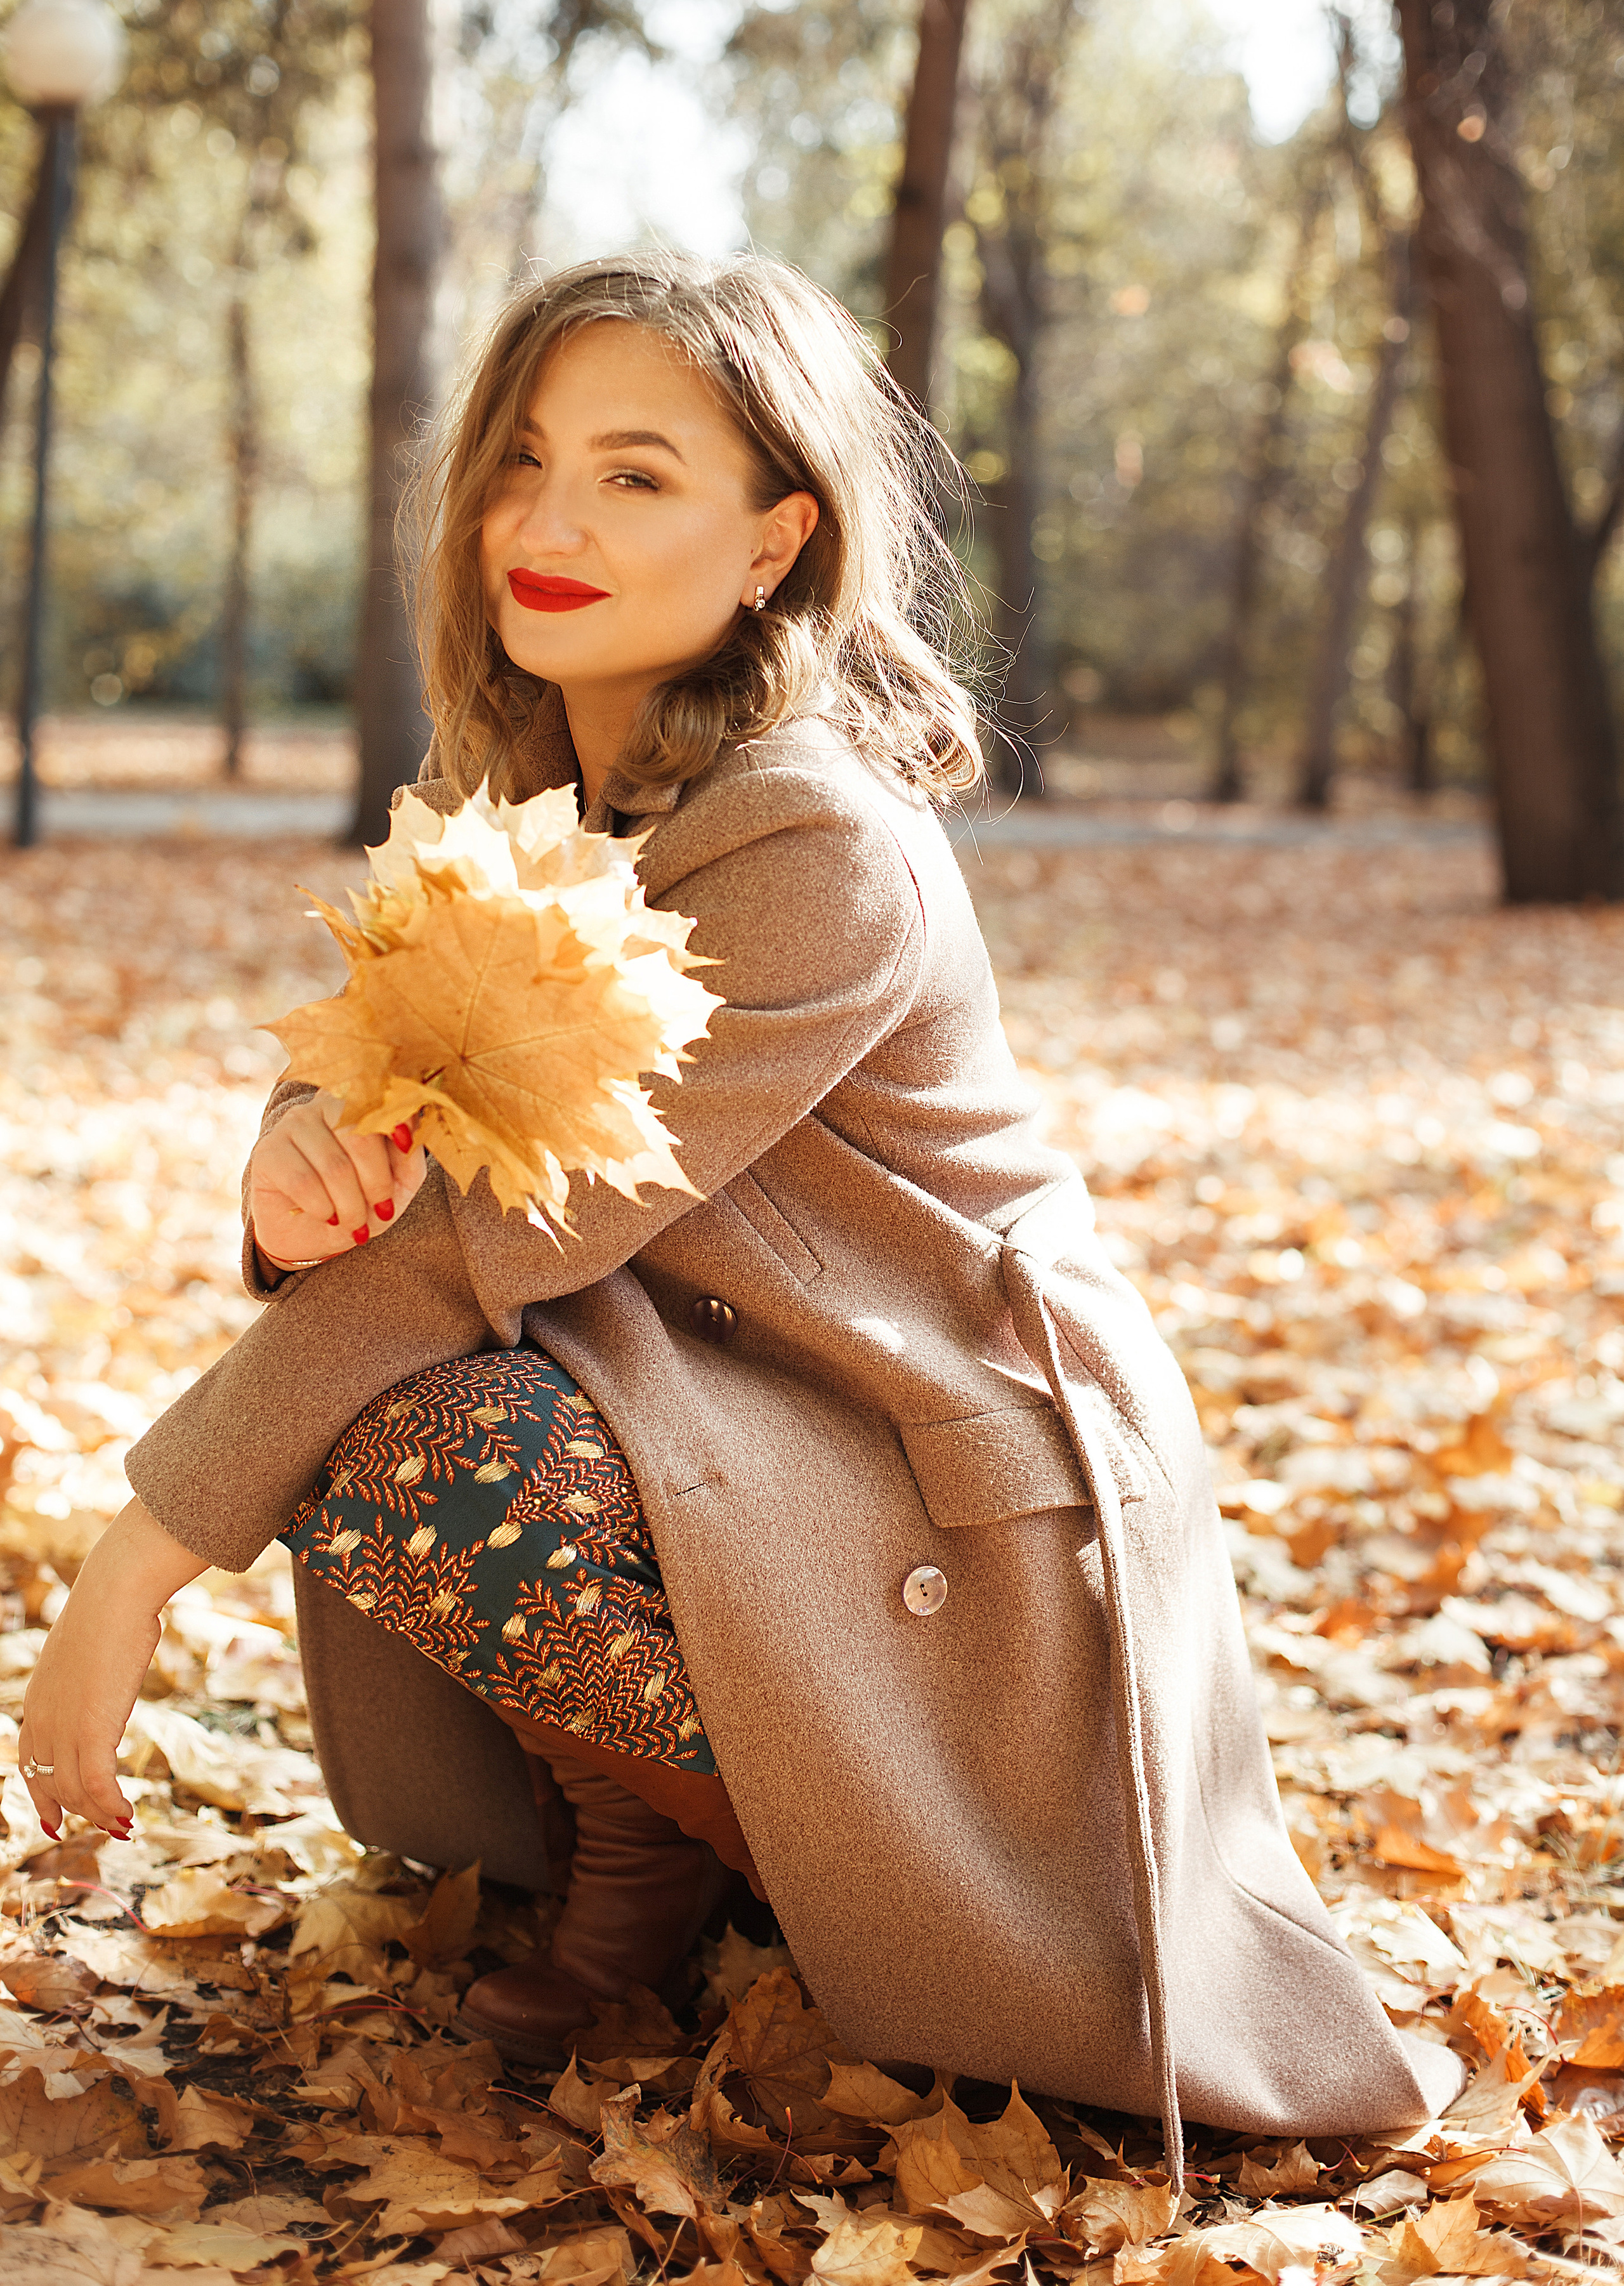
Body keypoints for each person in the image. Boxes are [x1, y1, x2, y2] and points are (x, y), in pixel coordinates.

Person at [20, 251, 1462, 2174]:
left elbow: (484, 1232)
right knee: (398, 1413)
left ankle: (796, 1849)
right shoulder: (512, 786)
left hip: (935, 1453)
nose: (546, 521)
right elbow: (402, 1090)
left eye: (636, 474)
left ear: (778, 539)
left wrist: (127, 1566)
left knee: (430, 1436)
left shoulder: (814, 840)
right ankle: (660, 1832)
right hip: (711, 1398)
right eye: (524, 462)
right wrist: (293, 1160)